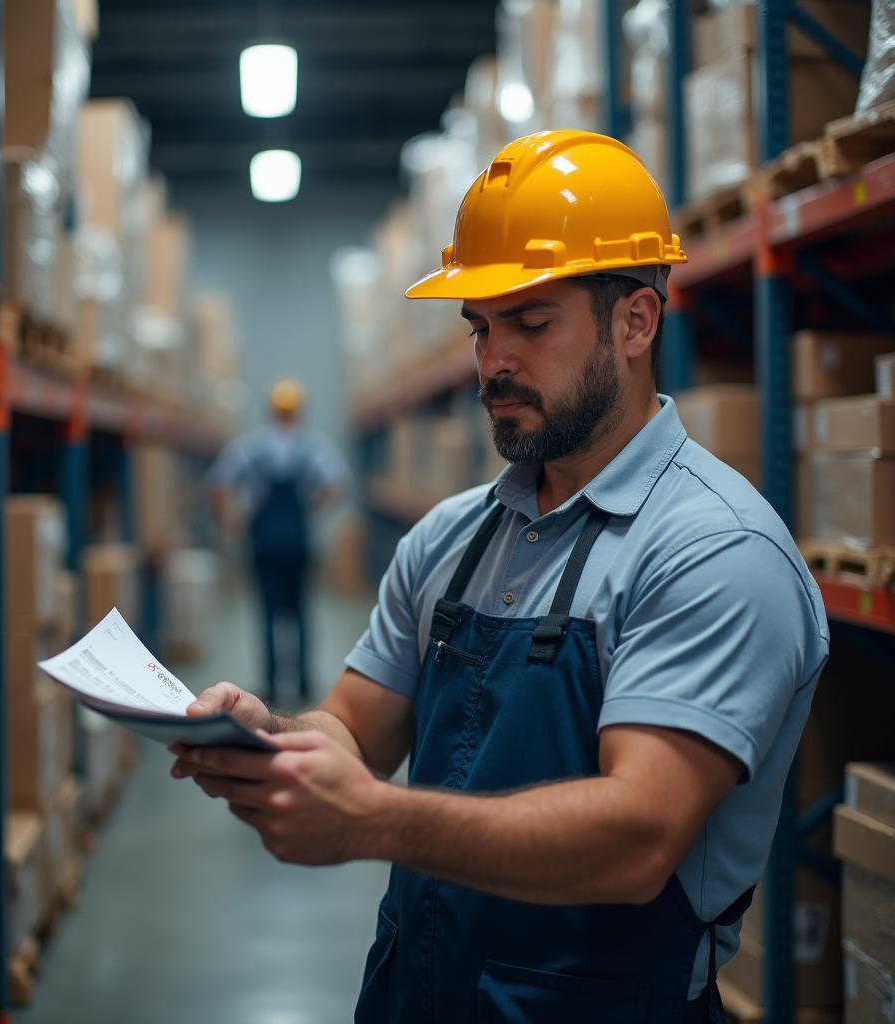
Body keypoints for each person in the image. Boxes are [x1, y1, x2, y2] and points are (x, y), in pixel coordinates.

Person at [174, 132, 829, 1022]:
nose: (493, 363)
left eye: (531, 321)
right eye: (482, 327)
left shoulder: (714, 551)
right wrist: (273, 742)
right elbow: (355, 730)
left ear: (636, 322)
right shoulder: (451, 538)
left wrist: (375, 820)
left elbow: (639, 837)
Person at [208, 378, 347, 702]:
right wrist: (310, 510)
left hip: (263, 540)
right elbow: (337, 484)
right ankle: (302, 684)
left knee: (268, 612)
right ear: (299, 411)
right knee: (300, 611)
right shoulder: (312, 447)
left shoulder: (251, 447)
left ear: (270, 410)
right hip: (297, 540)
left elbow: (218, 483)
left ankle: (271, 685)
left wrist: (232, 520)